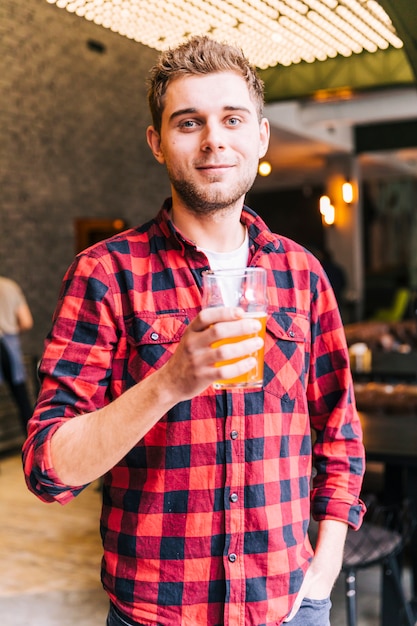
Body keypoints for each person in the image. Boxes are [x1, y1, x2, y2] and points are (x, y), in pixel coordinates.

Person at [22, 36, 365, 626]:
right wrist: (170, 382)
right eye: (189, 122)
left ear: (260, 136)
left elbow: (339, 431)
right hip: (156, 611)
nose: (213, 139)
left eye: (232, 119)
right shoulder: (106, 273)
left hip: (288, 605)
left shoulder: (302, 273)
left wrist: (326, 559)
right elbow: (47, 468)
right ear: (157, 142)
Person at [0, 275, 34, 432]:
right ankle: (32, 445)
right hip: (10, 347)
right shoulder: (10, 286)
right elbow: (27, 322)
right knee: (22, 400)